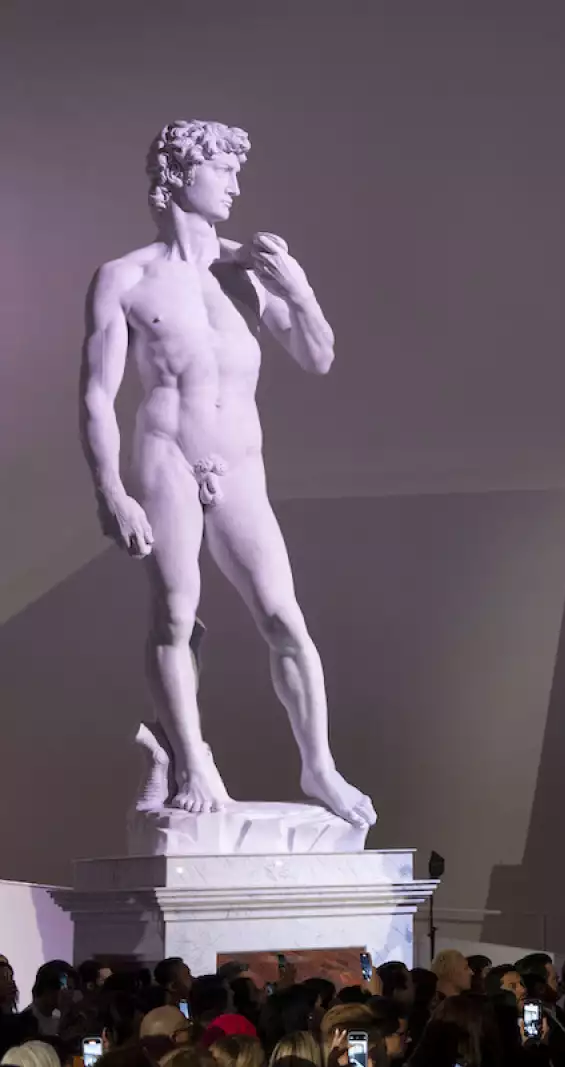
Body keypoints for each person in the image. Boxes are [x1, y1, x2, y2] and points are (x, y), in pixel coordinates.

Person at [77, 118, 373, 827]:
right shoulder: (126, 277)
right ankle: (192, 757)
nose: (237, 185)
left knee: (282, 617)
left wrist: (300, 292)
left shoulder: (250, 272)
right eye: (223, 170)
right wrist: (111, 490)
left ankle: (318, 766)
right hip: (167, 455)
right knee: (176, 612)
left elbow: (319, 357)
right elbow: (96, 394)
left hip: (240, 463)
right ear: (180, 174)